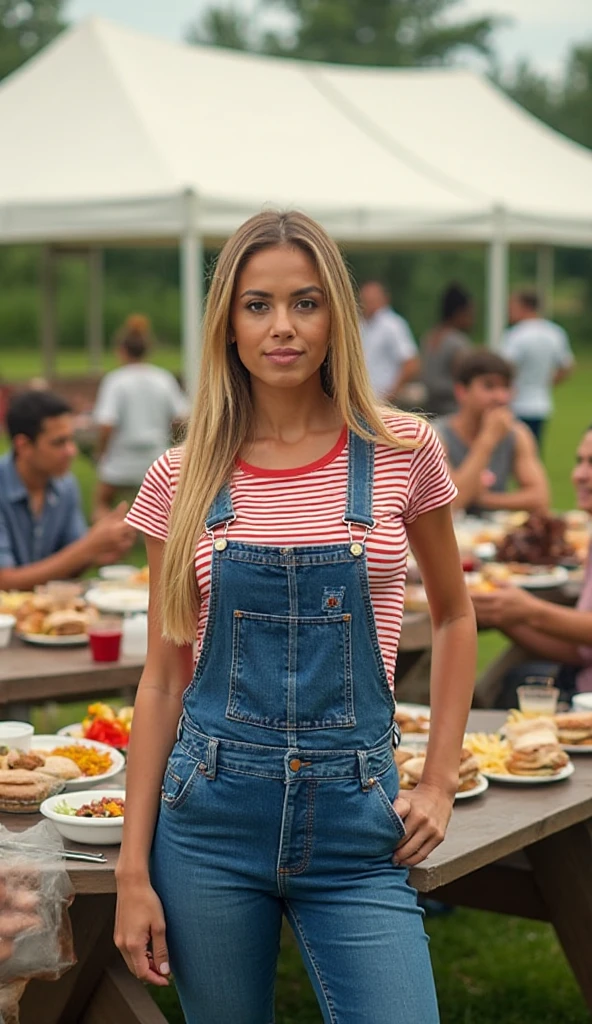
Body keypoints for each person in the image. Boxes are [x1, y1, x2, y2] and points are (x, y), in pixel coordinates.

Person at [115, 210, 476, 1024]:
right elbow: (165, 679)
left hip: (358, 826)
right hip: (207, 827)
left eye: (306, 303)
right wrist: (134, 873)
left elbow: (455, 617)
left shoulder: (402, 449)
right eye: (258, 305)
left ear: (336, 317)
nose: (283, 327)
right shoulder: (180, 476)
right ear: (228, 326)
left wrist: (441, 780)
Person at [471, 424, 592, 703]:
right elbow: (581, 650)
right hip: (580, 683)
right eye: (580, 462)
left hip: (582, 700)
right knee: (503, 683)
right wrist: (504, 614)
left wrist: (530, 610)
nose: (579, 475)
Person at [0, 390, 135, 591]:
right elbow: (5, 582)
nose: (72, 451)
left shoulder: (65, 486)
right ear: (24, 446)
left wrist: (100, 551)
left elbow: (69, 564)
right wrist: (88, 547)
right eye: (59, 443)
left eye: (71, 440)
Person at [92, 314, 189, 520]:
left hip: (120, 462)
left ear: (122, 350)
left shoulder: (115, 381)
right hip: (156, 458)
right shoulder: (163, 378)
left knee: (102, 502)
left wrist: (100, 453)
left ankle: (105, 541)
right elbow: (182, 418)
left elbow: (107, 425)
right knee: (166, 509)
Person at [436, 349, 549, 517]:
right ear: (462, 392)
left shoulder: (516, 434)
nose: (500, 397)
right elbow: (451, 503)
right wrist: (487, 440)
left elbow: (540, 499)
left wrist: (484, 498)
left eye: (506, 387)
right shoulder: (437, 436)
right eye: (489, 386)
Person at [500, 290, 574, 446]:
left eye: (512, 306)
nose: (509, 311)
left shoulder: (516, 335)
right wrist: (544, 383)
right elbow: (567, 367)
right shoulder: (555, 332)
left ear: (525, 306)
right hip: (541, 404)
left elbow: (504, 368)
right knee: (533, 452)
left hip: (516, 404)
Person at [359, 280, 420, 403]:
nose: (367, 302)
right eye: (365, 298)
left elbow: (411, 363)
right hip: (363, 401)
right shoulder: (360, 324)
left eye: (372, 298)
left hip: (383, 402)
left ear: (384, 299)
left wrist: (390, 395)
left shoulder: (393, 325)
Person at [420, 284, 473, 416]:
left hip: (429, 408)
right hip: (452, 410)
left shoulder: (430, 336)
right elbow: (466, 377)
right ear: (459, 313)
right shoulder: (457, 342)